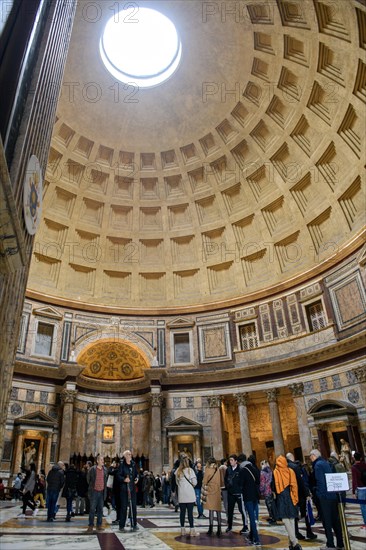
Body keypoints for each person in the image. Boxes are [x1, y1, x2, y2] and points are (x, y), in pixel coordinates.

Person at [309, 448, 344, 550]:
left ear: (313, 456)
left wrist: (319, 494)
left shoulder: (318, 465)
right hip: (333, 495)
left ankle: (330, 544)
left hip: (325, 496)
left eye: (310, 457)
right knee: (335, 520)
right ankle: (340, 543)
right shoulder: (326, 462)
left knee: (327, 521)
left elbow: (320, 481)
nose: (310, 459)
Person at [272, 455, 301, 550]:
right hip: (290, 495)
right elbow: (294, 485)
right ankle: (292, 544)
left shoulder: (275, 472)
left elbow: (273, 486)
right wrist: (295, 497)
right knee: (291, 518)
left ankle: (294, 542)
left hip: (281, 496)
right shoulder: (290, 471)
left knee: (285, 519)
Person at [286, 452, 317, 541]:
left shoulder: (284, 467)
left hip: (290, 493)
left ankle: (296, 532)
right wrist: (306, 493)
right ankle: (309, 531)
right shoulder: (296, 467)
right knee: (306, 513)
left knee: (294, 514)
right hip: (300, 493)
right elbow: (301, 482)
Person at [175, 454, 199, 537]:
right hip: (189, 494)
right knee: (190, 513)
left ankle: (182, 530)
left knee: (182, 513)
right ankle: (192, 531)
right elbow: (195, 483)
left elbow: (177, 483)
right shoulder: (190, 470)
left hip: (182, 495)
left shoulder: (178, 471)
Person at [241, 454, 261, 546]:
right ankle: (252, 536)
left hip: (248, 496)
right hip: (255, 496)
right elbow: (258, 481)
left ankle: (256, 539)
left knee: (251, 518)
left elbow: (240, 483)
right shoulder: (255, 468)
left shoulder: (243, 470)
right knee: (253, 517)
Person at [225, 454, 247, 534]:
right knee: (230, 510)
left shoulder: (240, 469)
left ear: (236, 461)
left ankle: (245, 526)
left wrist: (240, 488)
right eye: (229, 460)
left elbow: (242, 480)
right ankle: (229, 526)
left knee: (242, 510)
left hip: (238, 493)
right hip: (230, 493)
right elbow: (226, 479)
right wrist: (228, 486)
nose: (230, 462)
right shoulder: (228, 469)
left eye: (232, 460)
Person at [117, 450, 139, 532]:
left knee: (133, 506)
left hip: (132, 488)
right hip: (124, 488)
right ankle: (121, 525)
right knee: (124, 507)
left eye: (130, 454)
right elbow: (118, 476)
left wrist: (137, 478)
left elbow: (137, 474)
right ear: (125, 456)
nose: (130, 456)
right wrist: (124, 479)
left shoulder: (133, 464)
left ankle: (134, 524)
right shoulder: (122, 465)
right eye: (128, 454)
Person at [86, 454, 107, 534]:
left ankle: (99, 525)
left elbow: (105, 480)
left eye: (103, 460)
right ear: (97, 461)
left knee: (100, 510)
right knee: (92, 509)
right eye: (101, 460)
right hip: (94, 491)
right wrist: (92, 487)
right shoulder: (92, 469)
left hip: (101, 492)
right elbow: (88, 479)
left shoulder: (105, 470)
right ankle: (90, 525)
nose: (103, 461)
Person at [202, 457, 222, 536]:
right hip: (217, 490)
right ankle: (219, 530)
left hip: (210, 491)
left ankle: (211, 529)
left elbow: (204, 481)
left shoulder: (208, 469)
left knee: (211, 510)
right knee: (218, 510)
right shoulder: (218, 470)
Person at [351, 451, 366, 530]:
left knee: (363, 507)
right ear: (361, 458)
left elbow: (354, 480)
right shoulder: (365, 464)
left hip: (361, 489)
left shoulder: (354, 467)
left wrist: (353, 492)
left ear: (354, 458)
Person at [260, 460, 277, 525]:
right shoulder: (270, 470)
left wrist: (261, 491)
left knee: (268, 504)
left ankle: (272, 518)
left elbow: (262, 483)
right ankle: (273, 517)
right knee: (272, 504)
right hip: (271, 490)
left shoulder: (263, 472)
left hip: (266, 490)